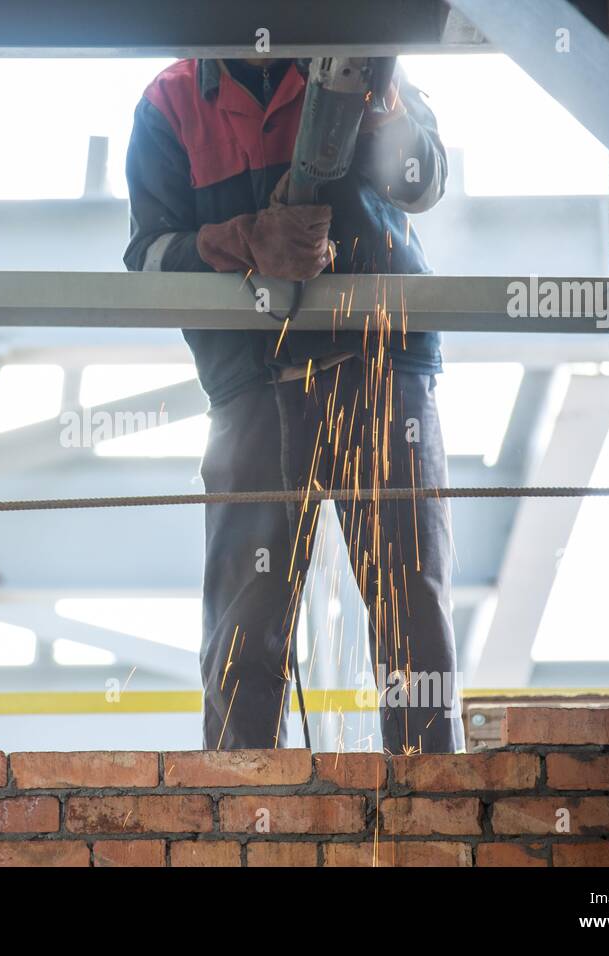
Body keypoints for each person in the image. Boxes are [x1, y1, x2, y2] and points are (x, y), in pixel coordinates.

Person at [124, 57, 464, 754]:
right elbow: (148, 261)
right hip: (256, 383)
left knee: (414, 611)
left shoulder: (354, 56)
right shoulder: (172, 101)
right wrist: (243, 241)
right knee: (243, 632)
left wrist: (381, 107)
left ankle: (437, 803)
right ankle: (238, 817)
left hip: (379, 364)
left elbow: (421, 181)